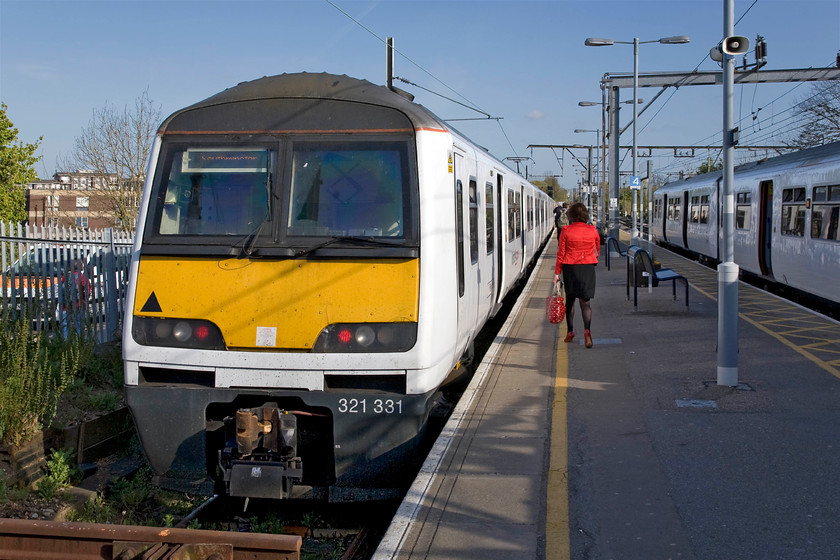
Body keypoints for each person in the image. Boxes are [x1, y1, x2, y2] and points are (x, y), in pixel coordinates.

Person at [554, 202, 600, 348]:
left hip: (570, 268)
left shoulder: (566, 230)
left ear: (571, 215)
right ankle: (587, 330)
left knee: (570, 301)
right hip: (587, 268)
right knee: (585, 303)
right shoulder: (592, 230)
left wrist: (557, 273)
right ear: (585, 215)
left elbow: (561, 253)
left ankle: (570, 332)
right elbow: (597, 249)